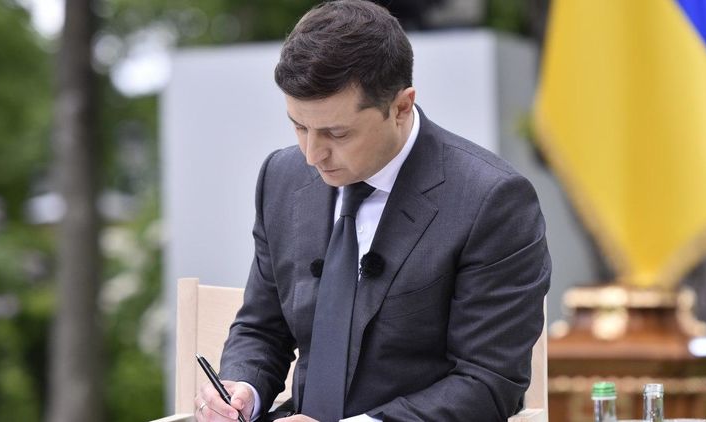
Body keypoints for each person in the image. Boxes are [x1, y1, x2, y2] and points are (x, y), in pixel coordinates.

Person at [195, 1, 551, 421]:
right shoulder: (281, 177)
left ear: (401, 107)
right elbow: (261, 328)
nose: (312, 154)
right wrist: (243, 389)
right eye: (299, 126)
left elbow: (488, 383)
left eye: (337, 133)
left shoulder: (492, 200)